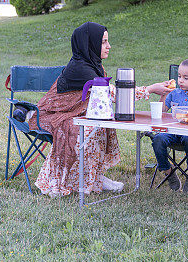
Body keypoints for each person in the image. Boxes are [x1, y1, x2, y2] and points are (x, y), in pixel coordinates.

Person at [34, 22, 172, 197]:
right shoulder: (81, 69)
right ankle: (64, 180)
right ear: (89, 44)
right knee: (89, 129)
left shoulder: (92, 64)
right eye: (104, 42)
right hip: (56, 115)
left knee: (102, 123)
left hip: (76, 113)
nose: (109, 46)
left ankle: (95, 176)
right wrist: (151, 89)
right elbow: (112, 95)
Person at [151, 58, 188, 193]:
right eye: (179, 76)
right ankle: (168, 171)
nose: (181, 81)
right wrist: (164, 95)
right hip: (172, 131)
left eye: (186, 77)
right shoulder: (173, 94)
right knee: (158, 138)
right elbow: (162, 112)